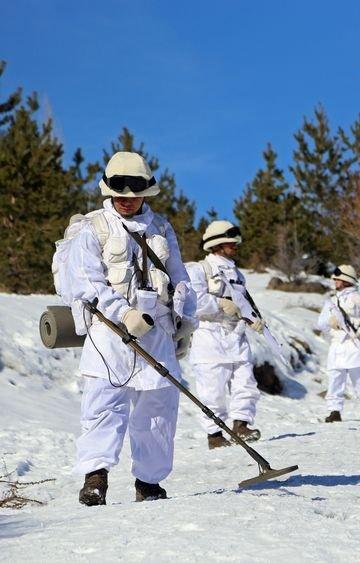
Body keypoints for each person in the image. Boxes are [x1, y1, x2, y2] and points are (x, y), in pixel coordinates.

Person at [66, 151, 197, 506]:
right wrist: (123, 314)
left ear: (145, 194)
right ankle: (96, 477)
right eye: (119, 195)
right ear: (109, 192)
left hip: (156, 333)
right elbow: (87, 281)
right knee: (104, 406)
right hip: (110, 333)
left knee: (158, 409)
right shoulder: (92, 227)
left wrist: (185, 320)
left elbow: (179, 276)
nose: (126, 201)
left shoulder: (161, 228)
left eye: (133, 194)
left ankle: (149, 482)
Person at [186, 221, 263, 449]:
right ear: (217, 243)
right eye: (230, 242)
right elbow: (192, 302)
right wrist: (219, 303)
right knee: (213, 392)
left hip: (236, 337)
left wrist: (253, 319)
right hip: (210, 339)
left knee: (246, 383)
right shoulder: (199, 269)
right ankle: (215, 434)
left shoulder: (238, 274)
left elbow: (241, 303)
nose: (235, 245)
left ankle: (241, 424)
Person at [316, 265, 360, 422]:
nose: (335, 282)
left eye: (338, 279)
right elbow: (321, 324)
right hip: (337, 346)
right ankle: (334, 411)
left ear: (346, 280)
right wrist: (331, 323)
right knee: (334, 380)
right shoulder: (331, 302)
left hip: (356, 346)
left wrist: (359, 332)